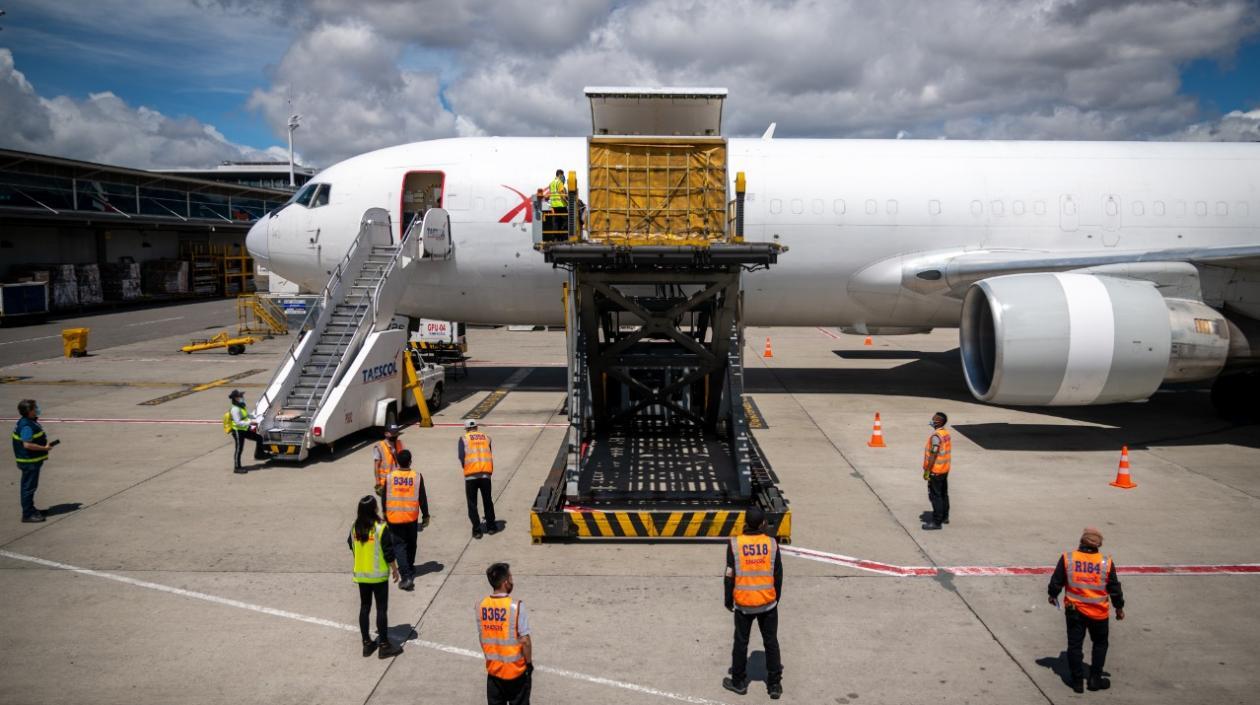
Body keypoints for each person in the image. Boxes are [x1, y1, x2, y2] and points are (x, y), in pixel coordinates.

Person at [1048, 527, 1125, 693]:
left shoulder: (1068, 558)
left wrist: (1052, 595)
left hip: (1074, 611)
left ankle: (1077, 682)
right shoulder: (1106, 562)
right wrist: (1119, 608)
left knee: (1075, 645)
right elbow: (1115, 589)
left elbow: (1056, 581)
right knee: (1100, 644)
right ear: (1099, 545)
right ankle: (1095, 679)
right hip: (1099, 613)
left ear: (1081, 541)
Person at [723, 505, 784, 699]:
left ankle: (739, 681)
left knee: (741, 643)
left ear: (746, 523)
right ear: (763, 524)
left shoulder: (735, 544)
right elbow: (778, 575)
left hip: (744, 604)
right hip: (767, 603)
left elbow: (729, 576)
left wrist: (728, 599)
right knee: (771, 642)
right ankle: (774, 685)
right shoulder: (772, 544)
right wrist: (775, 598)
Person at [348, 495, 404, 659]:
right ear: (374, 509)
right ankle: (384, 645)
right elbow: (388, 552)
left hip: (362, 576)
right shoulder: (380, 527)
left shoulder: (354, 527)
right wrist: (395, 569)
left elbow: (350, 545)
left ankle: (366, 644)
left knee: (364, 607)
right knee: (381, 609)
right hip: (378, 577)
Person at [478, 562, 532, 705]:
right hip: (516, 674)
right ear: (506, 582)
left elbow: (482, 637)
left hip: (494, 674)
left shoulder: (481, 606)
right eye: (511, 577)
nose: (512, 581)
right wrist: (529, 664)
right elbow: (525, 640)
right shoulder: (516, 606)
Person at [384, 449, 430, 592]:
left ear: (397, 462)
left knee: (399, 547)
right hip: (411, 518)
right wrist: (426, 515)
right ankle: (409, 568)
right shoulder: (417, 477)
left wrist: (385, 515)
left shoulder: (390, 477)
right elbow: (422, 497)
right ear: (410, 461)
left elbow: (383, 498)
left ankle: (406, 575)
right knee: (411, 544)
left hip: (394, 518)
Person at [12, 399, 56, 523]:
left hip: (31, 461)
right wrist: (45, 448)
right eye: (35, 408)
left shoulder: (28, 421)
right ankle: (27, 514)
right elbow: (27, 445)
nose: (37, 409)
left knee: (30, 487)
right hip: (29, 462)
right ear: (29, 411)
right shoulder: (26, 426)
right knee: (28, 488)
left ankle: (31, 509)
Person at [460, 419, 497, 539]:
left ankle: (477, 530)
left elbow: (461, 457)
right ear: (476, 427)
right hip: (485, 474)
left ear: (466, 429)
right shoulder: (486, 437)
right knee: (487, 501)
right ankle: (491, 527)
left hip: (471, 475)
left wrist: (468, 467)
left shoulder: (464, 439)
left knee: (472, 504)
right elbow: (489, 453)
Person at [921, 411, 951, 530]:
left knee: (935, 496)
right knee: (944, 494)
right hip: (944, 469)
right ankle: (945, 516)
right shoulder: (945, 433)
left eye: (934, 419)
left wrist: (927, 470)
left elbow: (933, 454)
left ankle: (936, 522)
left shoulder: (936, 436)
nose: (932, 420)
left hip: (936, 470)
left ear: (939, 421)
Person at [226, 390, 263, 474]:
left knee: (259, 438)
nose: (242, 398)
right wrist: (251, 422)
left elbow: (246, 415)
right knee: (239, 449)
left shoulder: (241, 406)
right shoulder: (235, 409)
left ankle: (259, 454)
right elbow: (238, 422)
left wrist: (256, 416)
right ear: (236, 398)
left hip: (244, 429)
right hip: (238, 431)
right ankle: (237, 467)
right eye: (240, 396)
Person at [374, 424, 406, 502]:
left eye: (396, 433)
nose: (395, 435)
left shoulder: (399, 443)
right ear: (386, 434)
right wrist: (378, 483)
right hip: (386, 483)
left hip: (399, 481)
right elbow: (376, 466)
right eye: (393, 433)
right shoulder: (379, 446)